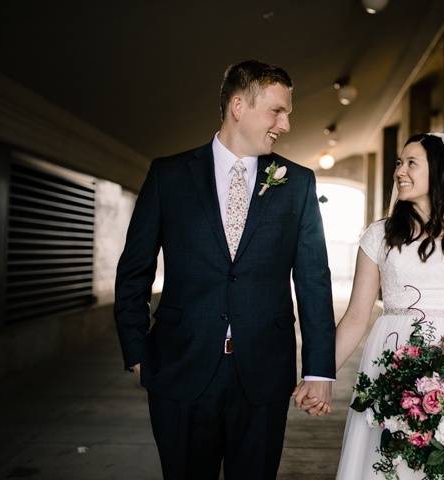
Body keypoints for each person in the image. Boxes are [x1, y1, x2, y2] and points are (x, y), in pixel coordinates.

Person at [114, 60, 336, 480]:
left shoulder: (298, 184)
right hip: (179, 369)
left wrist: (319, 369)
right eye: (277, 111)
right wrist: (138, 356)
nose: (285, 124)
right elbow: (133, 273)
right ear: (238, 106)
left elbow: (313, 281)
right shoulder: (168, 176)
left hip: (264, 375)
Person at [296, 132, 444, 478]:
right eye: (399, 163)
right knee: (391, 459)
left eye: (411, 163)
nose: (399, 171)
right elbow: (357, 317)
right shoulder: (379, 236)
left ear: (439, 173)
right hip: (391, 357)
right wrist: (320, 375)